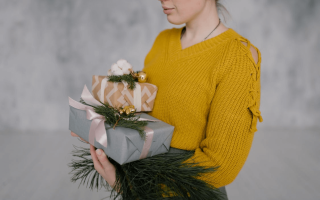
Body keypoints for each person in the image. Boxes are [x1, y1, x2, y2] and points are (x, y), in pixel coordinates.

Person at [71, 0, 263, 199]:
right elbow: (143, 117)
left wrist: (133, 186)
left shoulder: (239, 56)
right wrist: (103, 130)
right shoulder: (163, 40)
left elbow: (220, 166)